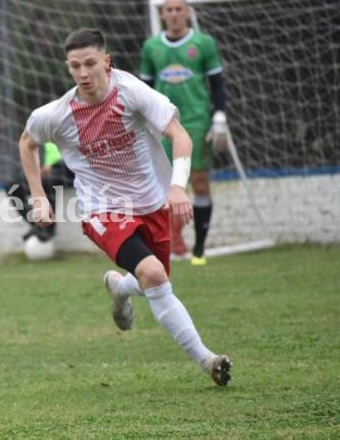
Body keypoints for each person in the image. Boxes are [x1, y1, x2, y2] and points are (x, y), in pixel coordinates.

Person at [19, 27, 232, 386]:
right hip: (103, 209)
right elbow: (27, 143)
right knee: (154, 274)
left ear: (106, 61)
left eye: (90, 63)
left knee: (154, 281)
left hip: (152, 203)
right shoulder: (58, 114)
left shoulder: (131, 92)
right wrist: (39, 197)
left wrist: (177, 188)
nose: (83, 73)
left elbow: (179, 134)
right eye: (75, 66)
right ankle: (207, 360)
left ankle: (119, 288)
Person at [139, 0, 229, 265]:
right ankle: (172, 240)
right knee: (163, 187)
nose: (174, 13)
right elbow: (145, 90)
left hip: (195, 122)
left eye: (179, 8)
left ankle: (199, 248)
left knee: (199, 182)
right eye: (170, 9)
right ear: (162, 14)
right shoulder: (151, 47)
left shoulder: (203, 44)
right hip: (163, 125)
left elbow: (217, 84)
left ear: (187, 12)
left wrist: (220, 116)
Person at [5, 142, 74, 242]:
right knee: (12, 187)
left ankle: (48, 227)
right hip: (46, 170)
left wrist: (54, 165)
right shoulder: (40, 132)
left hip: (66, 169)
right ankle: (37, 224)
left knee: (47, 182)